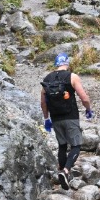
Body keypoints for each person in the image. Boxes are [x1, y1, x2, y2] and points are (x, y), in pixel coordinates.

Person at [41, 53, 93, 188]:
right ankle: (65, 170)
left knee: (62, 145)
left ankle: (62, 173)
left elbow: (43, 103)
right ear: (67, 63)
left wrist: (47, 119)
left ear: (56, 64)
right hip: (71, 116)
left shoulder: (46, 79)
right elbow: (84, 98)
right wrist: (88, 110)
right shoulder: (72, 76)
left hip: (56, 117)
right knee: (76, 145)